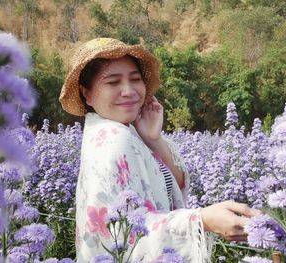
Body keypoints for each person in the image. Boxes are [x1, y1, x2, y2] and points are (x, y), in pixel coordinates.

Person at [59, 38, 260, 262]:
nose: (128, 91)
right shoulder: (113, 139)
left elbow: (173, 183)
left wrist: (153, 139)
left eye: (135, 79)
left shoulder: (124, 133)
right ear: (87, 93)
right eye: (113, 82)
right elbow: (125, 235)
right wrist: (200, 220)